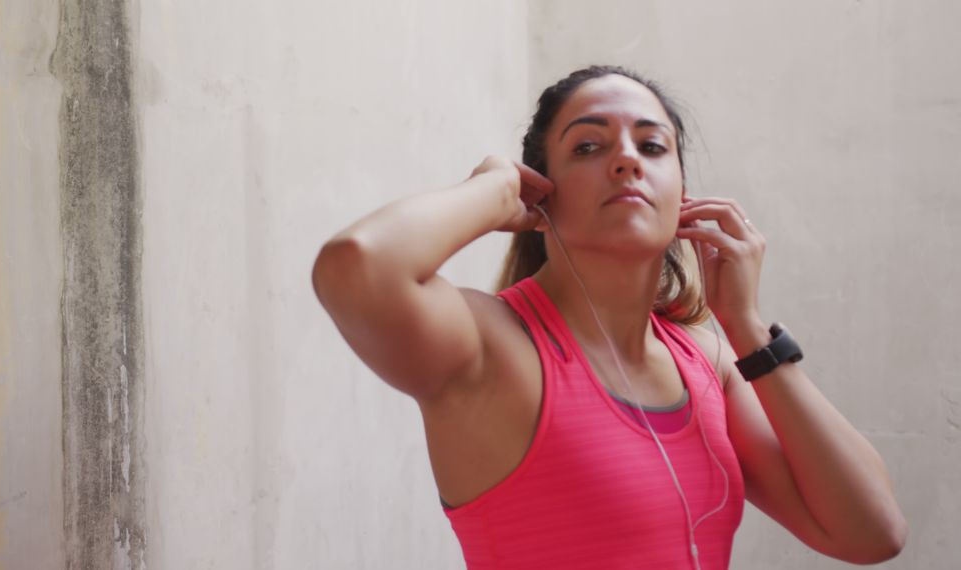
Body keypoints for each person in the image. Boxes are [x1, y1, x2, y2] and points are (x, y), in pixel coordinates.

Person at [311, 65, 906, 569]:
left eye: (652, 146)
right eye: (589, 147)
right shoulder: (492, 347)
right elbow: (356, 265)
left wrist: (748, 328)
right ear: (539, 194)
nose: (626, 159)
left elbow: (872, 531)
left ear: (682, 193)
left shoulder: (710, 361)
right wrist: (493, 193)